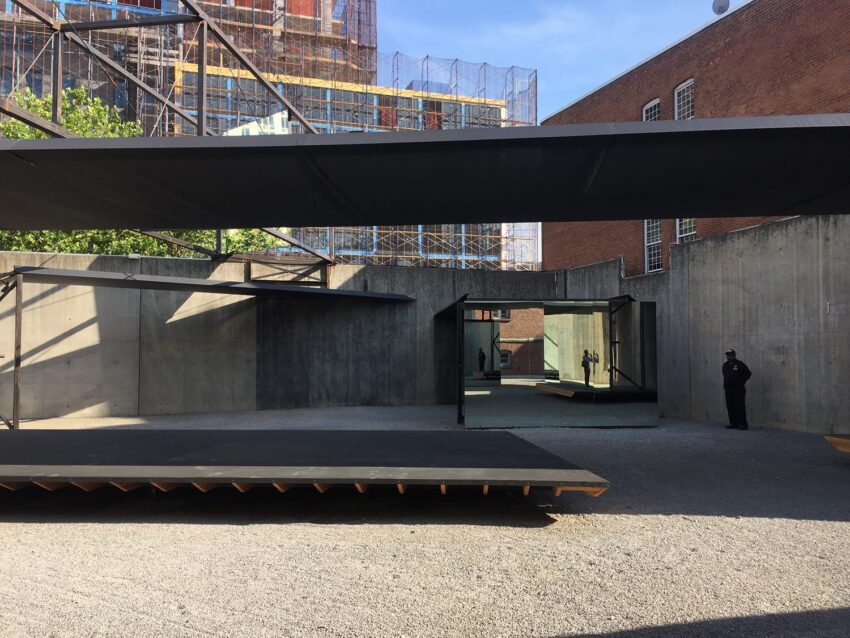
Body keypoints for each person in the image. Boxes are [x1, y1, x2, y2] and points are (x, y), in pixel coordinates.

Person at [722, 348, 752, 430]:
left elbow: (748, 373)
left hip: (738, 389)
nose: (728, 357)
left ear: (734, 355)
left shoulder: (740, 364)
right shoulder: (725, 365)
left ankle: (743, 424)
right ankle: (733, 423)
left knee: (740, 406)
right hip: (728, 390)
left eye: (730, 355)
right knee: (730, 406)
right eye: (727, 355)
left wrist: (741, 381)